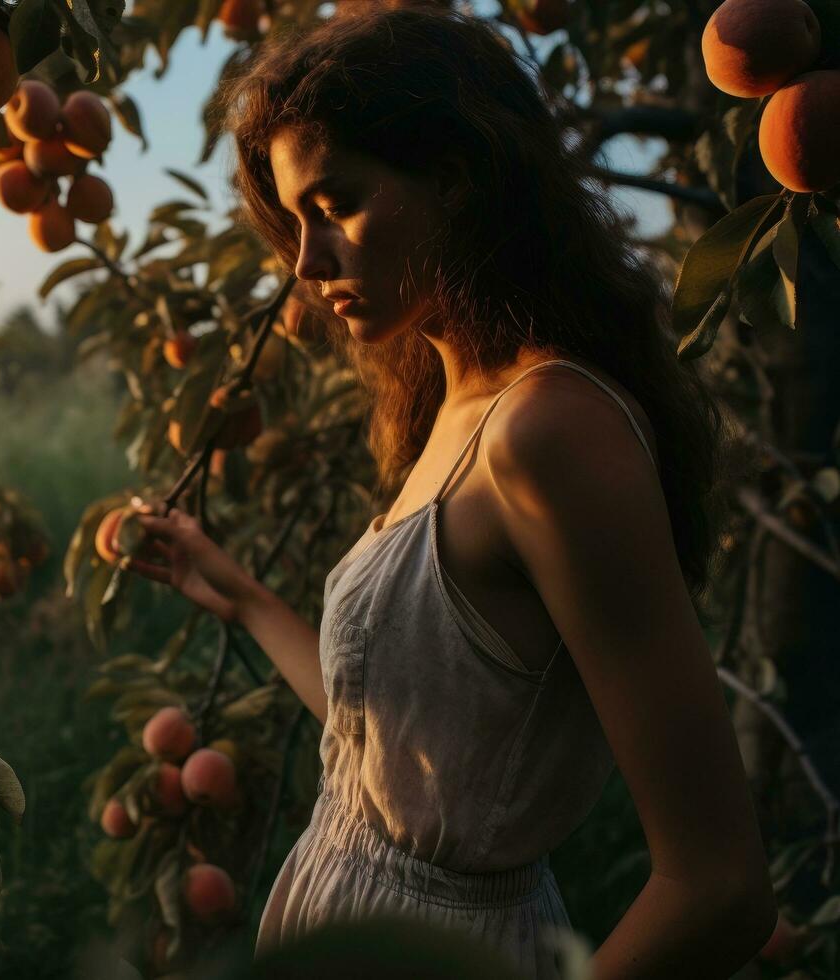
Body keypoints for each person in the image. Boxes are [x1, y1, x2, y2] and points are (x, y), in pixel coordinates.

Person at [122, 5, 778, 978]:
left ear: (458, 180)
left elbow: (719, 882)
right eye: (294, 221)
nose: (306, 262)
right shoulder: (460, 404)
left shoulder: (550, 430)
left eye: (334, 203)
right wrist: (242, 593)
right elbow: (389, 762)